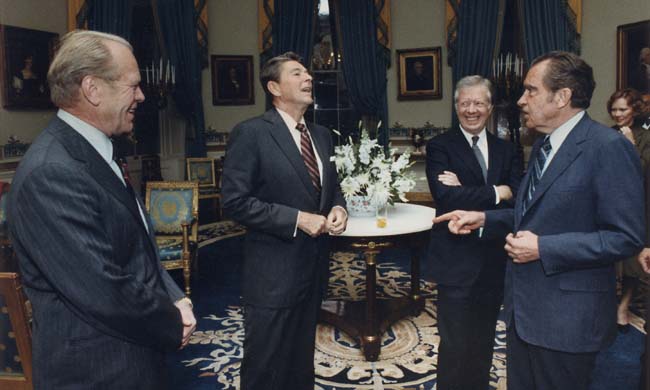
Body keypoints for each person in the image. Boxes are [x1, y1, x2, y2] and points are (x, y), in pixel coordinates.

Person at [434, 51, 645, 390]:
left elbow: (626, 236)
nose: (521, 100)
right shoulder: (545, 146)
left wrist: (543, 248)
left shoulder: (607, 147)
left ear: (561, 97)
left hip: (568, 321)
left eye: (531, 90)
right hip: (525, 311)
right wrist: (483, 217)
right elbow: (531, 214)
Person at [6, 30, 196, 389]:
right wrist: (172, 321)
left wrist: (175, 296)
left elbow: (138, 246)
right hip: (97, 371)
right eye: (133, 85)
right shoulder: (52, 173)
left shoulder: (98, 150)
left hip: (130, 355)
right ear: (92, 89)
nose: (141, 95)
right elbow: (104, 289)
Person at [221, 51, 347, 390]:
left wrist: (339, 209)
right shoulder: (251, 133)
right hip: (272, 274)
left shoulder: (321, 136)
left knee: (299, 361)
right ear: (274, 87)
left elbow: (331, 191)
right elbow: (234, 202)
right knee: (265, 365)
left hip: (314, 268)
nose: (308, 78)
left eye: (308, 73)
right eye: (297, 73)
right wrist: (297, 219)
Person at [426, 75, 522, 390]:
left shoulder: (507, 150)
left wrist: (469, 190)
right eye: (465, 103)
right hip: (455, 261)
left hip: (495, 261)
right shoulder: (440, 146)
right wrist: (498, 191)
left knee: (483, 342)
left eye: (478, 102)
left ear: (490, 107)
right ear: (455, 107)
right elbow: (446, 197)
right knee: (454, 346)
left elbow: (519, 197)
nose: (471, 110)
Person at [607, 88, 650, 332]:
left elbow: (641, 171)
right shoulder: (606, 134)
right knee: (608, 257)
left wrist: (631, 145)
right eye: (614, 109)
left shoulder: (645, 137)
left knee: (633, 261)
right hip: (609, 205)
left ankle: (623, 307)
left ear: (634, 109)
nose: (618, 114)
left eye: (623, 109)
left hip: (634, 205)